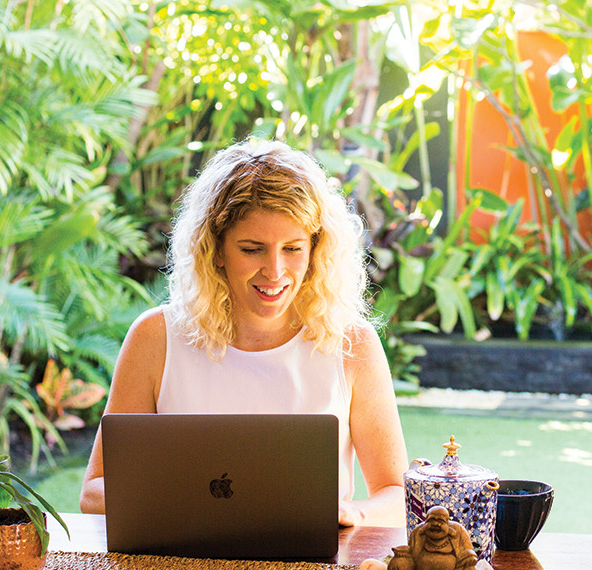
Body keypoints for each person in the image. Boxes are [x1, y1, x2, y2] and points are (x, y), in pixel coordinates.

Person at [79, 139, 409, 528]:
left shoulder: (352, 345)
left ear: (317, 249)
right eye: (252, 249)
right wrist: (201, 500)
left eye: (292, 248)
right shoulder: (156, 338)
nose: (275, 271)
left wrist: (353, 513)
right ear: (215, 250)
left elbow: (397, 493)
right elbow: (95, 490)